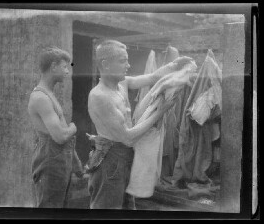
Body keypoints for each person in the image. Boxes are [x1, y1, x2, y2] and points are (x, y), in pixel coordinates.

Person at [87, 40, 192, 209]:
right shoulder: (100, 96)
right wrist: (160, 111)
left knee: (128, 206)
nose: (128, 65)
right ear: (105, 64)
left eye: (127, 60)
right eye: (122, 61)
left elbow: (153, 77)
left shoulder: (121, 83)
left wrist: (173, 65)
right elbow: (128, 137)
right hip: (110, 158)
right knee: (107, 209)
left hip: (125, 155)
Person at [28, 47, 84, 208]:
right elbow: (60, 136)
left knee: (61, 207)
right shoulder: (40, 98)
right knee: (50, 209)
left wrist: (76, 163)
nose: (67, 71)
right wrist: (74, 127)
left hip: (59, 162)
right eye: (65, 67)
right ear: (53, 67)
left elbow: (63, 135)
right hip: (50, 163)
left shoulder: (49, 94)